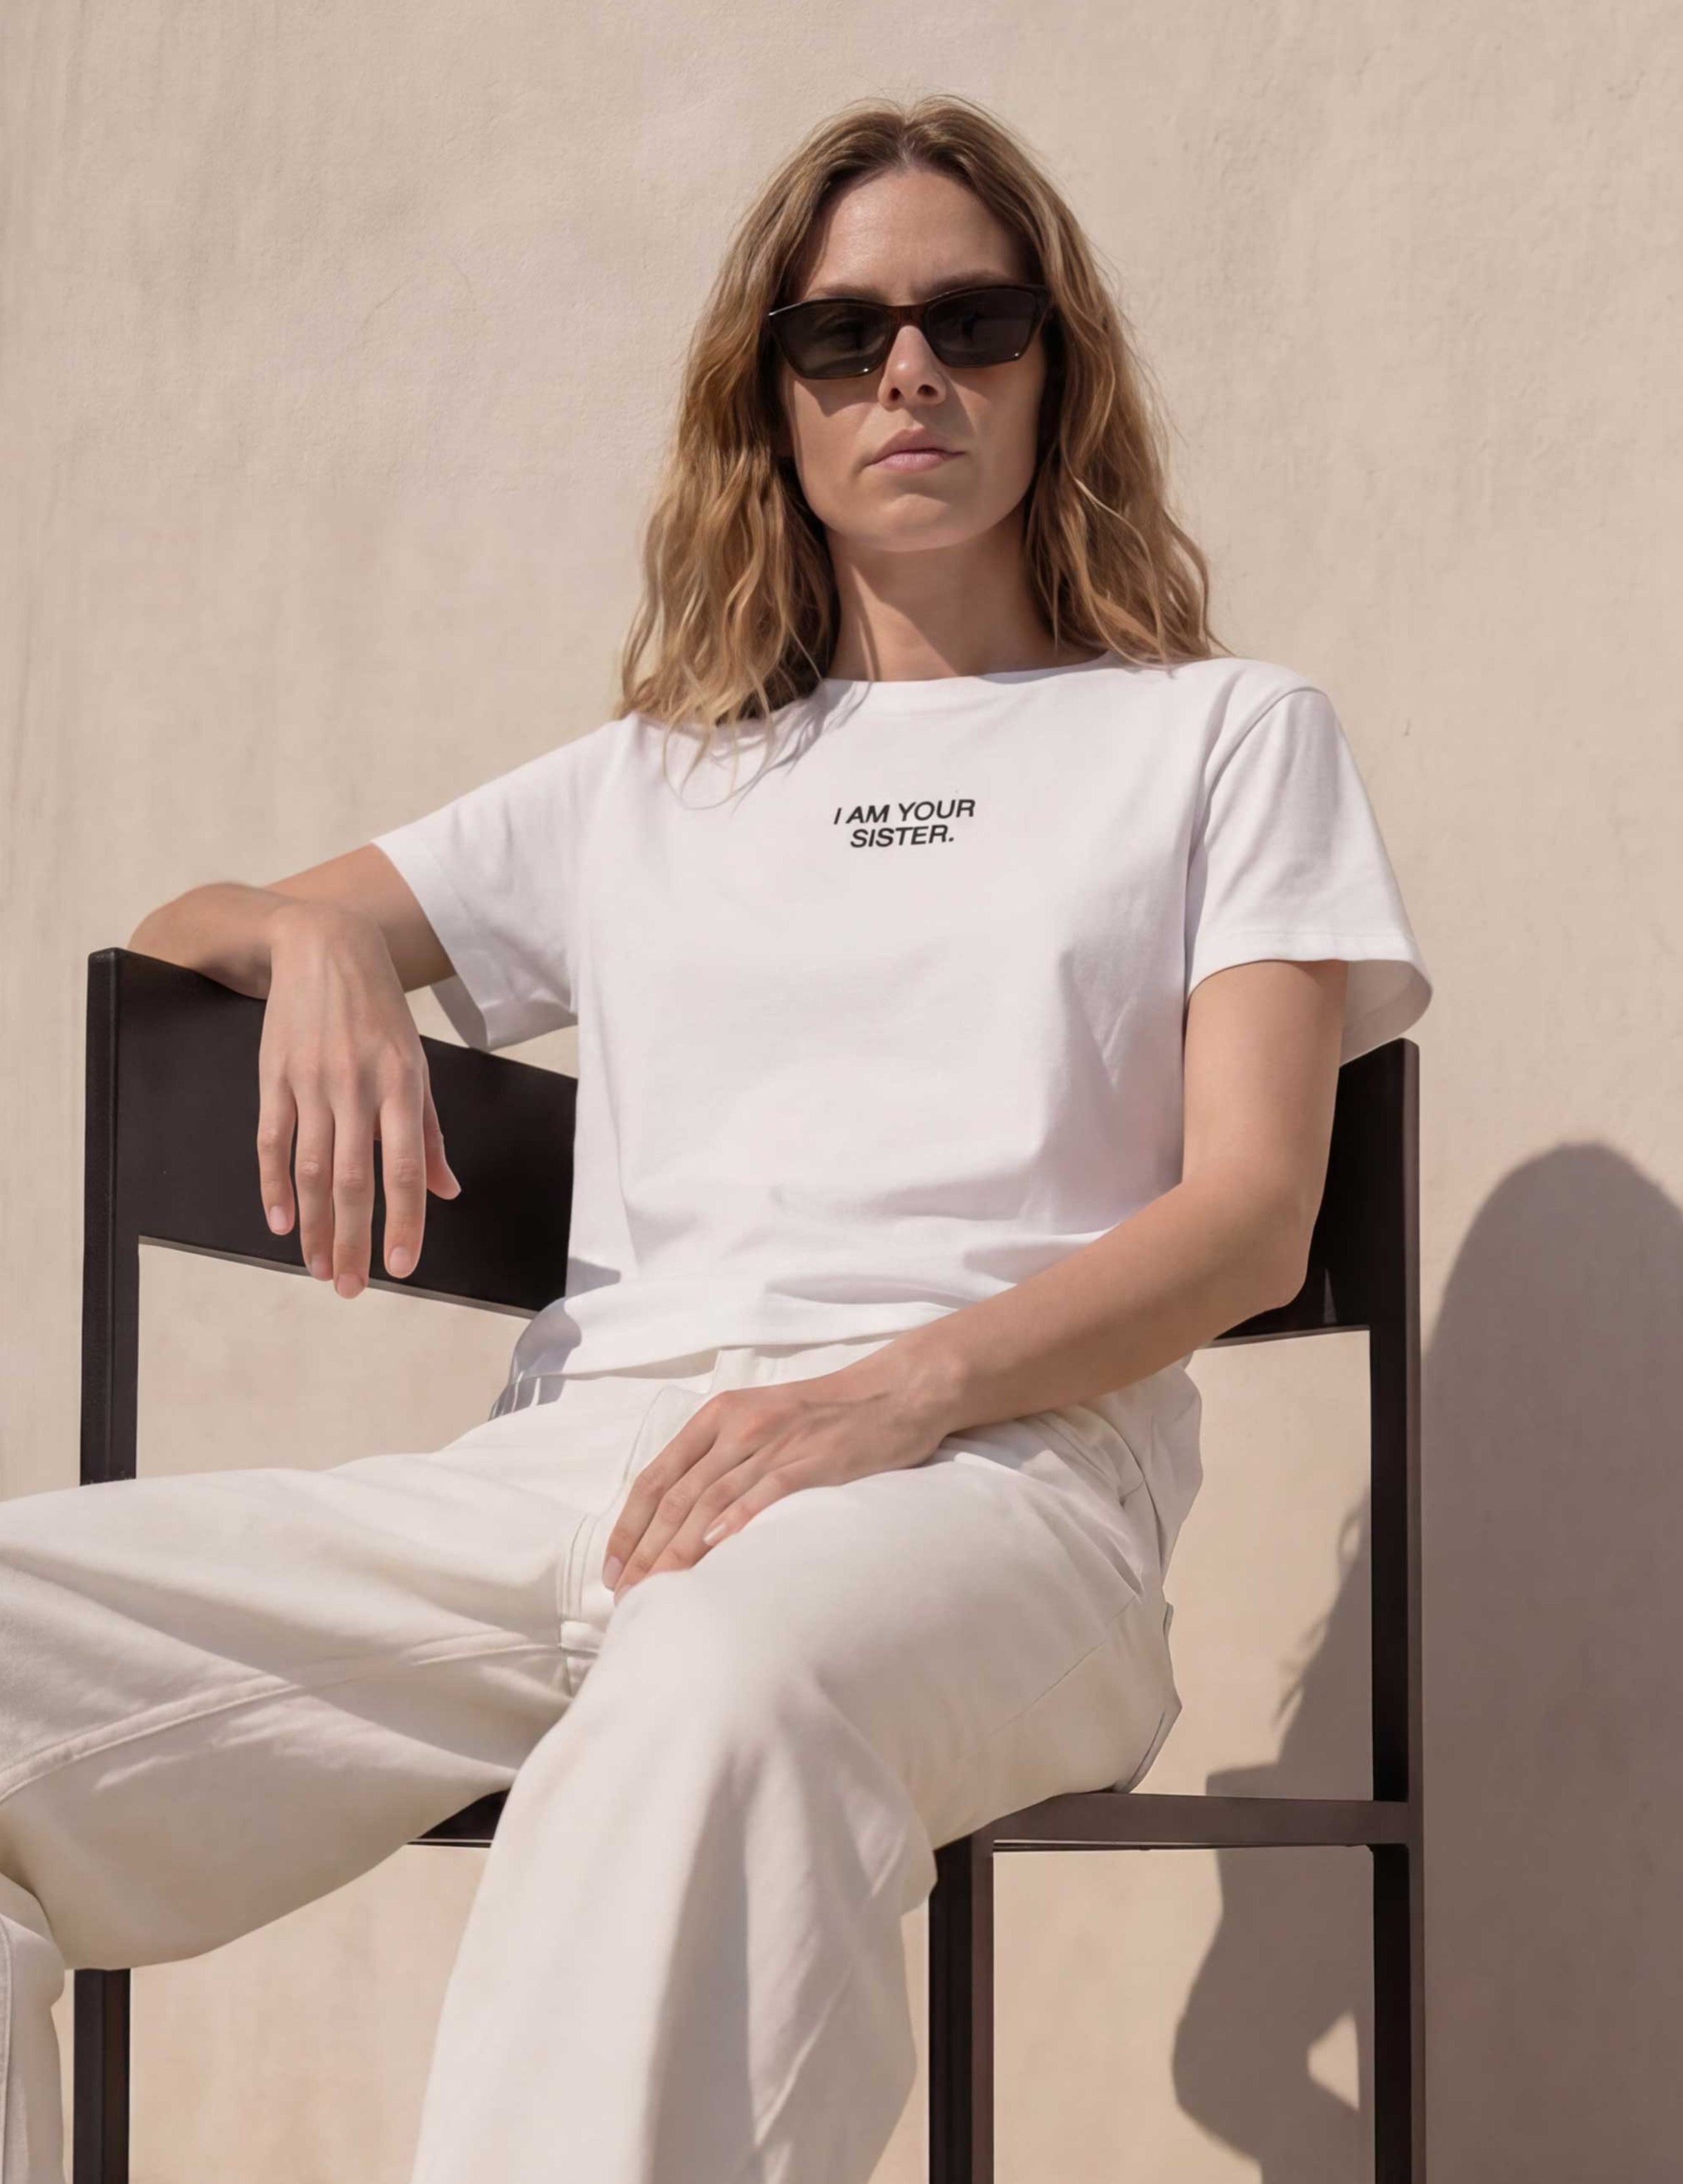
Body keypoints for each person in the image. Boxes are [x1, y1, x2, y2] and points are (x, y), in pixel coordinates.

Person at [0, 92, 1432, 2184]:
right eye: (841, 337)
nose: (910, 372)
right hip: (579, 1479)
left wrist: (880, 1401)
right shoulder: (653, 785)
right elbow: (183, 938)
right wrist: (317, 934)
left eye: (973, 318)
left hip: (992, 1495)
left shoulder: (1216, 736)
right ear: (770, 400)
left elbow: (1249, 1216)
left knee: (719, 1687)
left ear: (1061, 370)